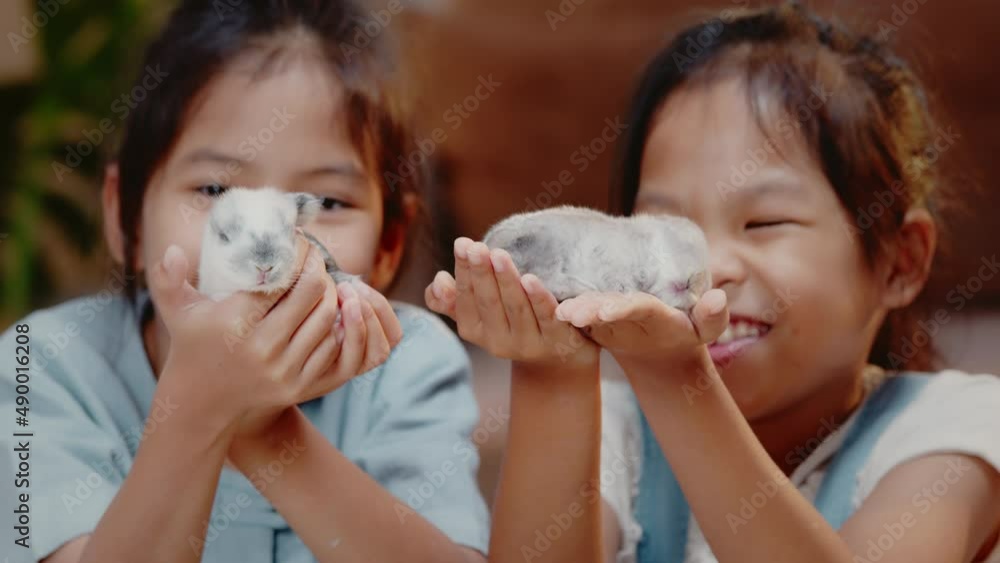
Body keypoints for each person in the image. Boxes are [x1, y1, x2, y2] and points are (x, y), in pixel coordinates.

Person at [425, 2, 1000, 562]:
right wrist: (553, 373)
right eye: (667, 229)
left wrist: (678, 377)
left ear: (900, 262)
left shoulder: (956, 431)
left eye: (764, 222)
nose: (708, 266)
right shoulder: (616, 431)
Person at [0, 1, 489, 562]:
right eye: (215, 191)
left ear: (388, 246)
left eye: (324, 201)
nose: (272, 244)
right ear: (125, 218)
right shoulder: (41, 364)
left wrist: (265, 433)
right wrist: (204, 406)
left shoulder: (410, 364)